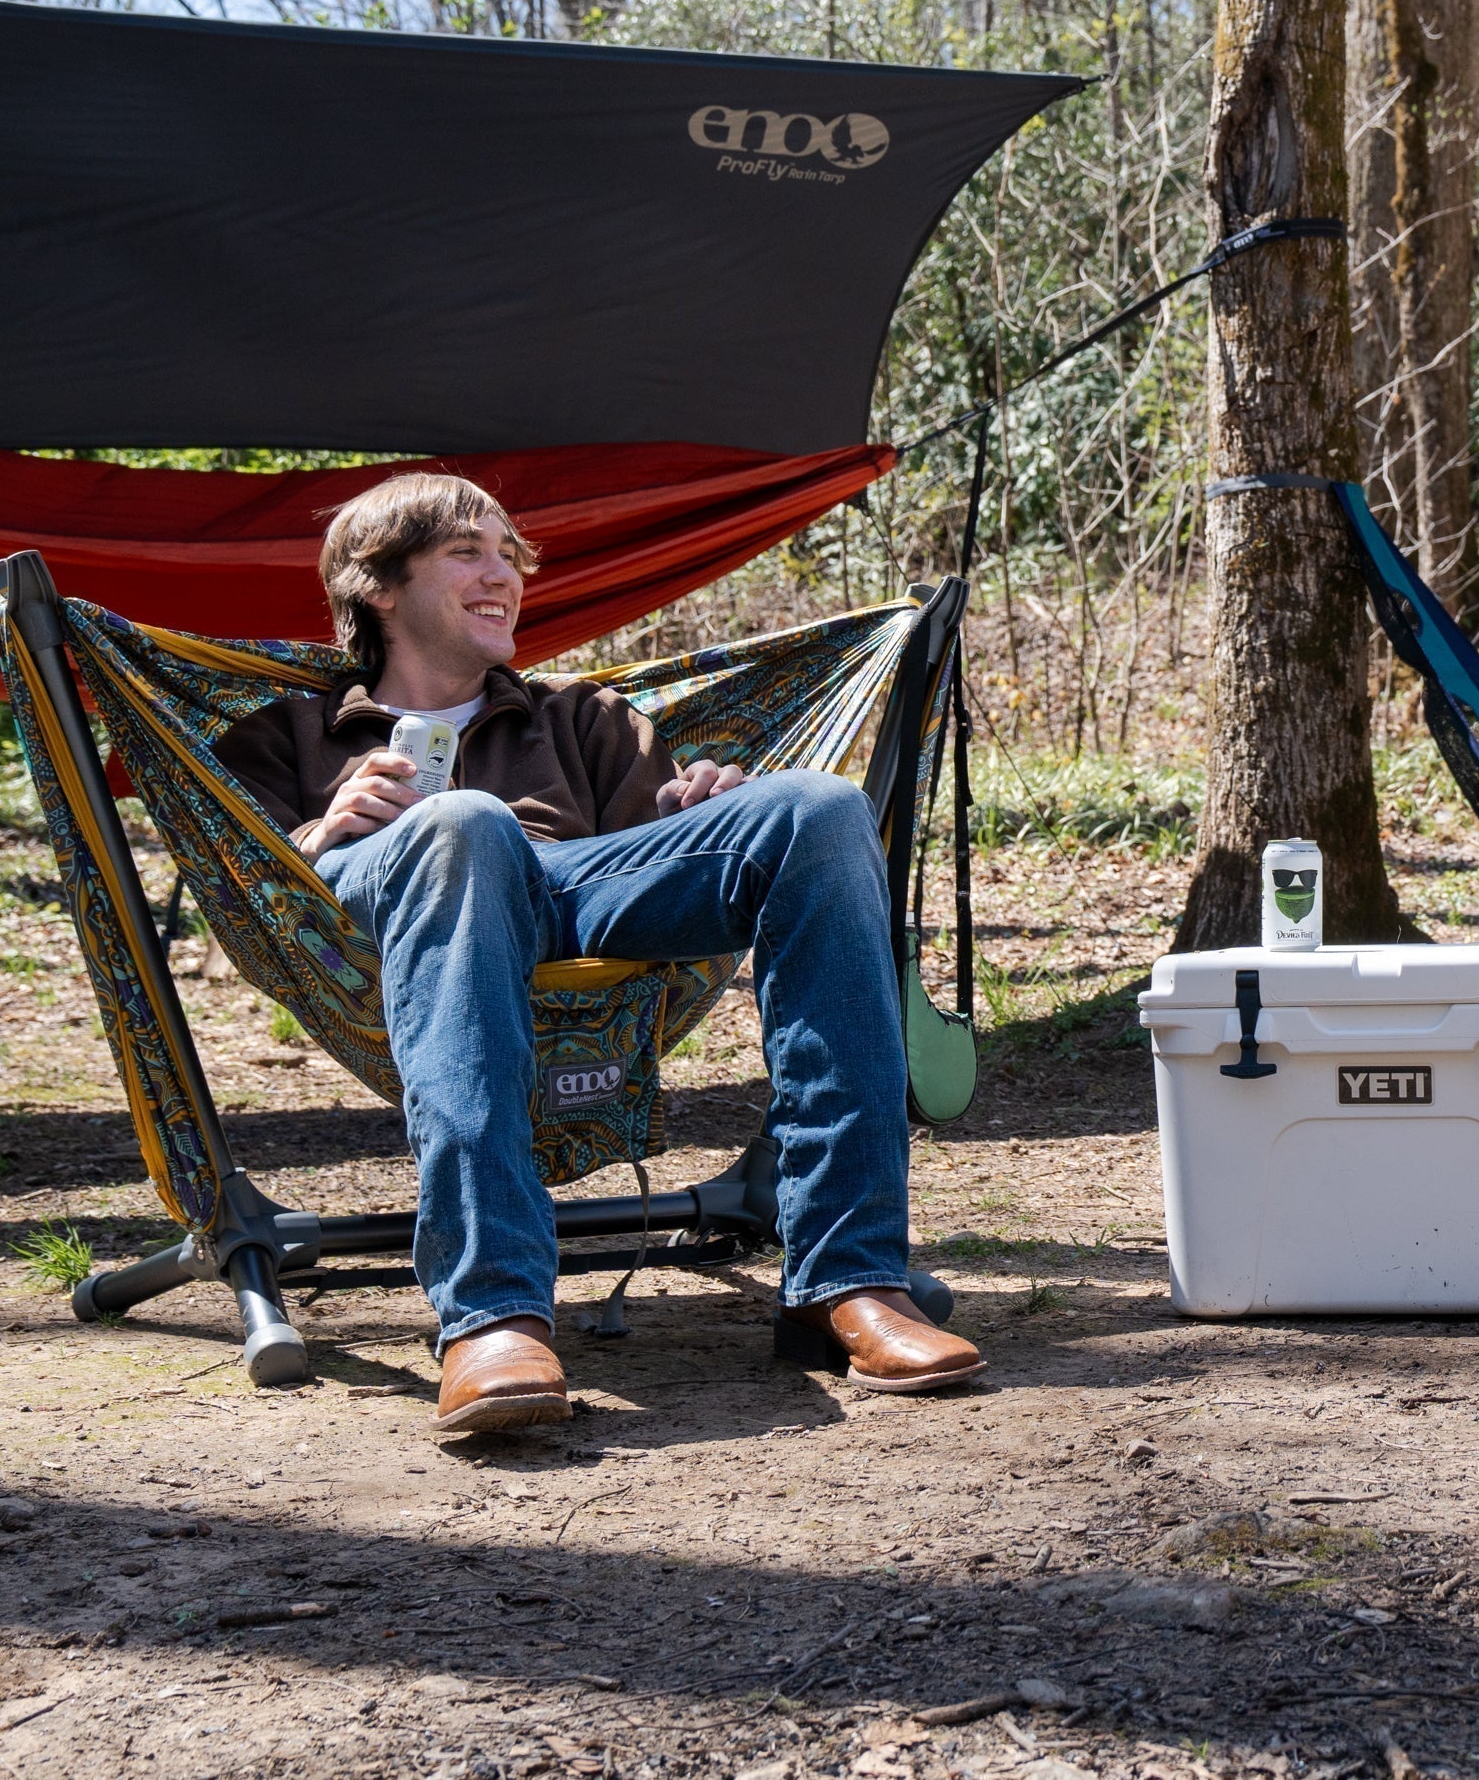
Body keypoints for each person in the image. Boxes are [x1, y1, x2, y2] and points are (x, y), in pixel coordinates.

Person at [217, 474, 980, 1432]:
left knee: (819, 812)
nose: (503, 577)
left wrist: (696, 806)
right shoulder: (283, 732)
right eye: (466, 553)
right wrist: (323, 830)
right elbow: (250, 890)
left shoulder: (582, 717)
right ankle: (493, 1313)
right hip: (394, 899)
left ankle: (851, 1281)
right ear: (377, 585)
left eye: (510, 556)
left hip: (573, 886)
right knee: (464, 823)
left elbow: (654, 849)